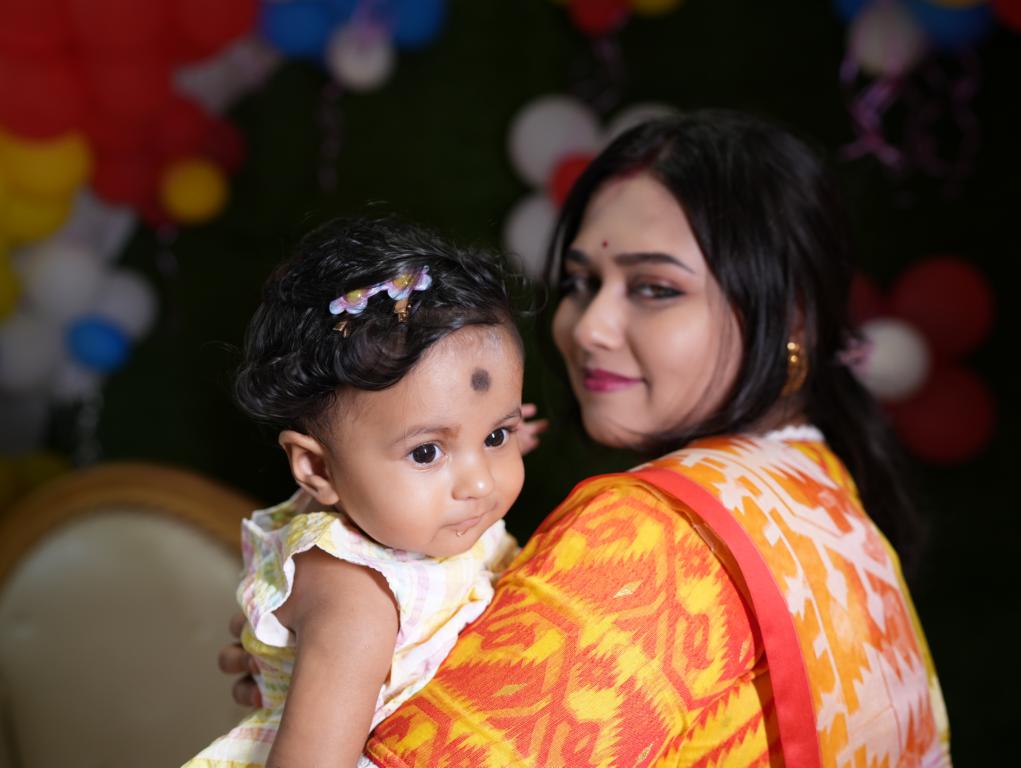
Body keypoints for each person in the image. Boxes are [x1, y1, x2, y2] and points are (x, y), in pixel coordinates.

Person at [222, 109, 951, 766]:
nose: (588, 327)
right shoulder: (820, 498)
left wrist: (339, 673)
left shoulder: (655, 539)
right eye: (580, 283)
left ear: (790, 320)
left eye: (654, 289)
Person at [187, 216, 525, 767]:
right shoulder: (358, 596)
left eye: (496, 436)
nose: (481, 482)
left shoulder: (408, 507)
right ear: (317, 469)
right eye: (426, 452)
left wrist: (482, 434)